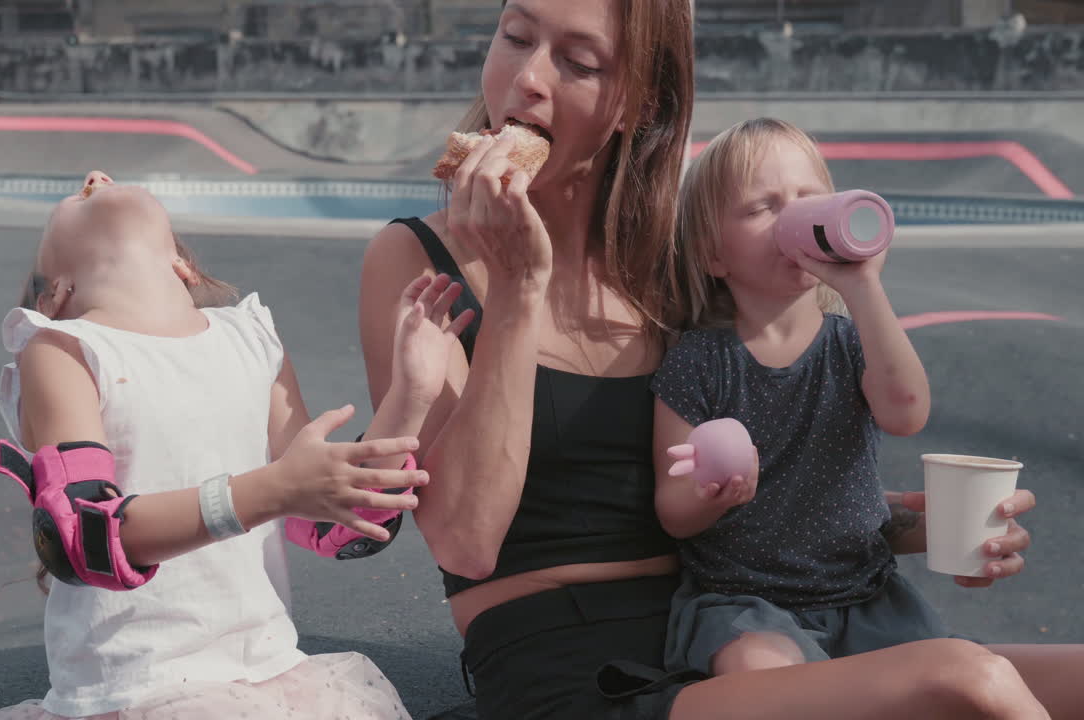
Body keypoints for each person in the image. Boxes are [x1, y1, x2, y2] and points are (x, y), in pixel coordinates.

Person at [358, 1, 1082, 718]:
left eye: (579, 62)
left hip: (746, 622)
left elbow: (735, 482)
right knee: (963, 680)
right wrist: (518, 289)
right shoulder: (421, 260)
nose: (529, 79)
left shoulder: (674, 266)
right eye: (515, 37)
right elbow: (464, 540)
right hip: (573, 662)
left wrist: (919, 528)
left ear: (639, 105)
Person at [0, 170, 471, 720]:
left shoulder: (251, 339)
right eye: (77, 196)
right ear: (56, 293)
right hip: (135, 688)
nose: (96, 176)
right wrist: (272, 488)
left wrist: (412, 392)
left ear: (182, 266)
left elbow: (336, 522)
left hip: (270, 678)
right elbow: (82, 538)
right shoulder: (62, 346)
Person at [653, 116, 946, 677]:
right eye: (763, 208)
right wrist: (712, 495)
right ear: (715, 256)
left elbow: (907, 414)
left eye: (808, 199)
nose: (792, 217)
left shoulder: (854, 340)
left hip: (867, 596)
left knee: (944, 682)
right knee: (764, 673)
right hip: (745, 606)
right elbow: (672, 512)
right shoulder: (699, 361)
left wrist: (862, 286)